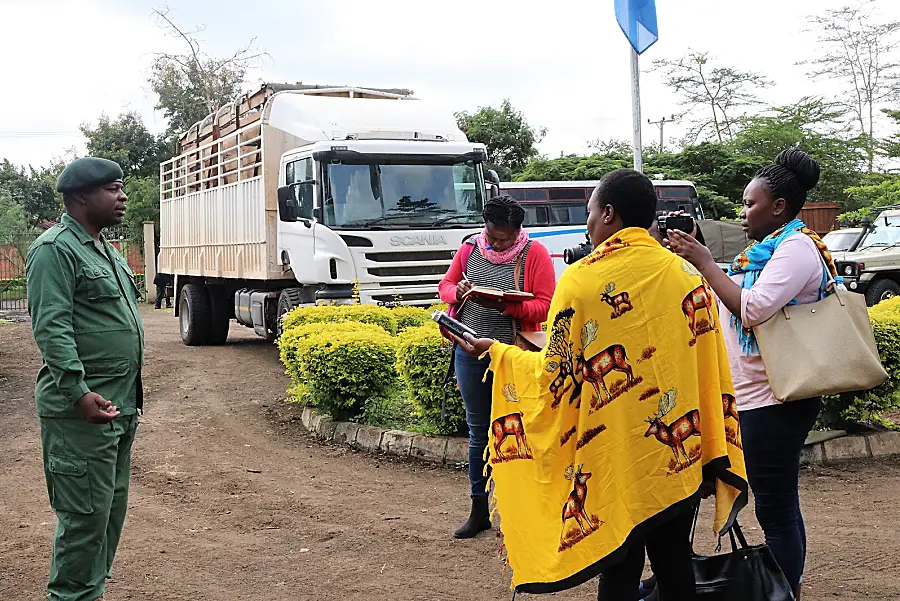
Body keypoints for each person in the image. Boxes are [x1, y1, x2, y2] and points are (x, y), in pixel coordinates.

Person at [454, 170, 748, 599]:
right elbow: (709, 368)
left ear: (608, 213)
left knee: (620, 570)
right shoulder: (686, 276)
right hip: (679, 461)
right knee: (674, 563)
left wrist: (496, 353)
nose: (588, 223)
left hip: (615, 460)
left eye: (590, 212)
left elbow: (552, 377)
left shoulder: (582, 281)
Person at [668, 149, 834, 599]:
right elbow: (734, 291)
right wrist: (699, 257)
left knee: (776, 510)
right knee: (774, 504)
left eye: (749, 203)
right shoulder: (767, 250)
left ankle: (785, 591)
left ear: (778, 207)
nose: (743, 212)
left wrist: (704, 261)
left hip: (777, 399)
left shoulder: (797, 248)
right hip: (754, 396)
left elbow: (752, 308)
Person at [26, 157, 145, 601]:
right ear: (80, 197)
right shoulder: (54, 250)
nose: (123, 197)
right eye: (112, 189)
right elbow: (51, 329)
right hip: (82, 412)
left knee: (107, 515)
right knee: (83, 518)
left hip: (118, 406)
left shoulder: (104, 250)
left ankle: (89, 592)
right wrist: (78, 392)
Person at [438, 195, 556, 539]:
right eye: (492, 237)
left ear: (517, 232)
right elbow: (445, 285)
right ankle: (479, 509)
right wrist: (456, 292)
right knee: (478, 434)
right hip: (469, 352)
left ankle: (522, 510)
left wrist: (506, 305)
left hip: (512, 355)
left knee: (518, 432)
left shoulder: (534, 254)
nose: (496, 244)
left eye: (504, 239)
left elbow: (545, 306)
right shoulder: (469, 249)